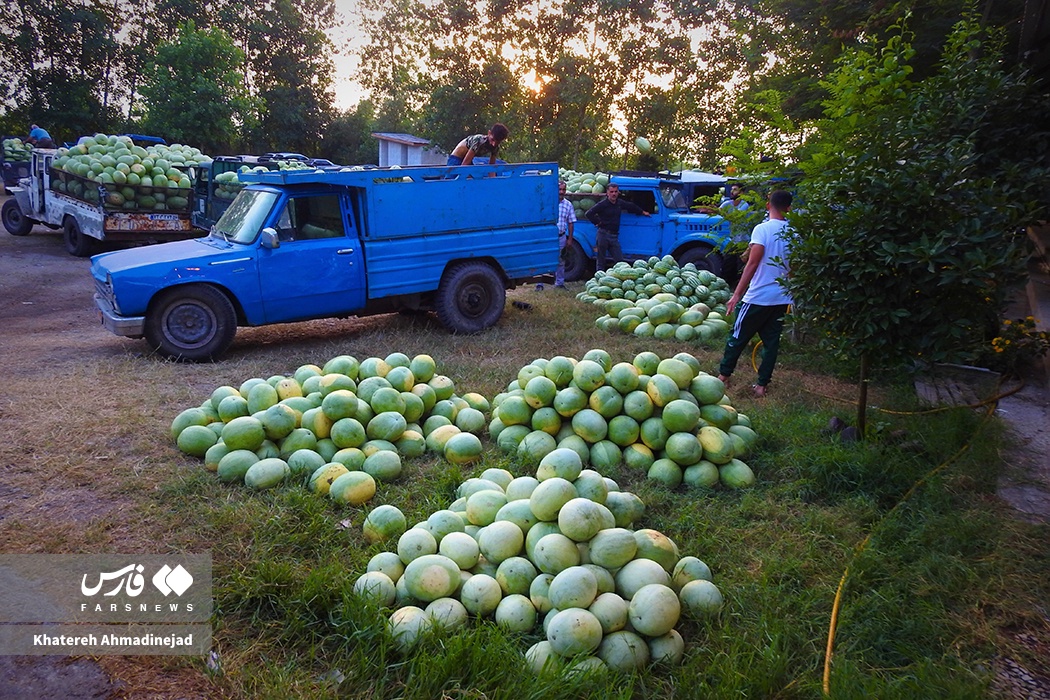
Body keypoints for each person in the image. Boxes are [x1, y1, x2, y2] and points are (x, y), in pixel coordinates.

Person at [717, 189, 794, 397]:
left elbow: (752, 263)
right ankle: (761, 386)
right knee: (771, 343)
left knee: (737, 336)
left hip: (758, 297)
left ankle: (723, 377)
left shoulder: (762, 229)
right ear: (789, 208)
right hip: (781, 298)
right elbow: (794, 267)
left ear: (768, 205)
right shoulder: (794, 232)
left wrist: (736, 295)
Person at [585, 183, 650, 271]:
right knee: (601, 260)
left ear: (618, 192)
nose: (614, 194)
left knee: (619, 260)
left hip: (614, 236)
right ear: (607, 193)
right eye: (611, 192)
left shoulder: (619, 203)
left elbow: (631, 206)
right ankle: (599, 279)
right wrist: (598, 222)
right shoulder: (603, 204)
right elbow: (589, 213)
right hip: (603, 234)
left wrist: (642, 212)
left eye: (615, 192)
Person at [555, 181, 576, 288]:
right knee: (545, 259)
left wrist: (570, 239)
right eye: (560, 189)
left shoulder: (568, 205)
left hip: (561, 236)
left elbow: (571, 223)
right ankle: (539, 284)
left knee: (561, 260)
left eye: (563, 190)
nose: (561, 192)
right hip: (549, 237)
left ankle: (559, 283)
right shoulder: (549, 202)